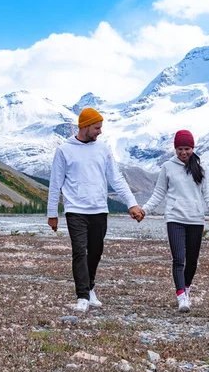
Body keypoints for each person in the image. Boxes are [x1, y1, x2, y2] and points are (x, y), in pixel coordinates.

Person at [47, 107, 144, 313]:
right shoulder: (64, 150)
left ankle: (90, 287)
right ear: (85, 126)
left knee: (96, 252)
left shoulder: (103, 149)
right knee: (79, 252)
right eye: (97, 128)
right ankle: (82, 296)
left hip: (99, 209)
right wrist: (52, 214)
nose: (100, 132)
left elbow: (116, 179)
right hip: (75, 210)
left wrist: (132, 203)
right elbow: (55, 183)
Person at [139, 129, 209, 313]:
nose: (183, 153)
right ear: (175, 148)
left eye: (187, 149)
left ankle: (187, 288)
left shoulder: (201, 168)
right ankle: (181, 296)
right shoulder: (168, 166)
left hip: (196, 219)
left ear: (193, 148)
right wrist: (145, 210)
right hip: (174, 218)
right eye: (180, 149)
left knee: (192, 260)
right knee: (179, 259)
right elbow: (159, 192)